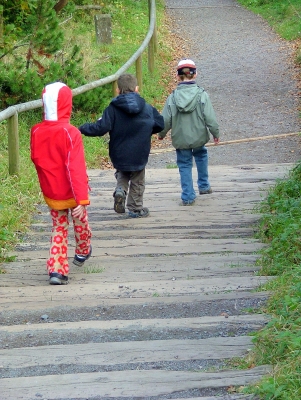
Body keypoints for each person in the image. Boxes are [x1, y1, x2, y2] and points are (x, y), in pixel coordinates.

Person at [30, 82, 92, 285]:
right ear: (67, 104)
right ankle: (83, 250)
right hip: (73, 191)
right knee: (80, 220)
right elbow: (76, 168)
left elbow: (37, 160)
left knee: (59, 227)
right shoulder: (70, 132)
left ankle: (57, 270)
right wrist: (81, 199)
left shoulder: (36, 131)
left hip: (52, 190)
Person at [79, 73, 164, 218]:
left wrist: (81, 128)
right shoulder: (147, 108)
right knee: (137, 179)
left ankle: (120, 190)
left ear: (118, 90)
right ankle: (136, 208)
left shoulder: (113, 108)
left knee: (123, 172)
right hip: (139, 152)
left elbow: (100, 128)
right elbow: (160, 123)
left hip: (119, 152)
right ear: (137, 88)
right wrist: (148, 131)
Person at [158, 59, 220, 205]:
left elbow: (165, 119)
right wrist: (215, 133)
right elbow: (210, 117)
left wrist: (161, 133)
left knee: (184, 164)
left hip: (181, 138)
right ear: (195, 74)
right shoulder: (201, 95)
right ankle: (204, 185)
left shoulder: (173, 97)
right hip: (199, 136)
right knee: (201, 155)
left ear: (177, 76)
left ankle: (188, 196)